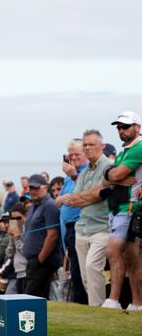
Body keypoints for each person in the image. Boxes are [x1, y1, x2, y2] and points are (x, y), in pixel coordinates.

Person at [57, 129, 113, 306]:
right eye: (86, 145)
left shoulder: (109, 166)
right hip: (82, 228)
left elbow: (98, 195)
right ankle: (96, 308)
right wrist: (86, 196)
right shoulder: (84, 173)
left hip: (102, 227)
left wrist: (84, 197)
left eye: (91, 145)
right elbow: (76, 198)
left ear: (101, 146)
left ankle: (99, 311)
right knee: (85, 276)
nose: (88, 148)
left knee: (92, 268)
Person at [101, 111, 142, 310]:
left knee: (112, 250)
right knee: (131, 258)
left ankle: (113, 300)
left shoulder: (139, 147)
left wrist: (113, 175)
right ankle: (137, 304)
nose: (121, 130)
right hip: (120, 207)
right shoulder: (126, 149)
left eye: (125, 126)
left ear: (137, 127)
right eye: (119, 127)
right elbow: (107, 178)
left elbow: (115, 173)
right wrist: (111, 175)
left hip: (130, 208)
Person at [55, 138, 89, 304]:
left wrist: (73, 175)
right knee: (73, 271)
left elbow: (88, 192)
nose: (73, 157)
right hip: (68, 230)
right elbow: (57, 201)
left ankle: (82, 303)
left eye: (77, 153)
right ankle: (78, 302)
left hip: (80, 226)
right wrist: (61, 198)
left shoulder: (86, 171)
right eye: (70, 154)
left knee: (79, 271)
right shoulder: (69, 176)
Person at [23, 174, 63, 299]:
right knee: (40, 298)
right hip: (33, 261)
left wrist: (40, 259)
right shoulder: (34, 205)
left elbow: (52, 236)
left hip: (43, 262)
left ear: (45, 188)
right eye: (31, 188)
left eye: (36, 188)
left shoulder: (50, 206)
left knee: (31, 298)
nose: (33, 191)